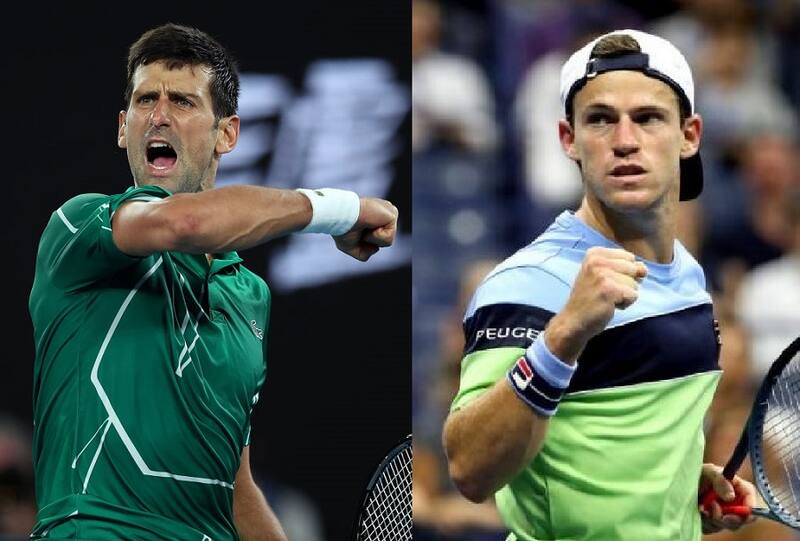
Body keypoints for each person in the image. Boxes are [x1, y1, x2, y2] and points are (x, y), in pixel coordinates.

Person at [28, 24, 397, 541]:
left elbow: (234, 484)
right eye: (144, 100)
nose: (158, 115)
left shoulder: (250, 296)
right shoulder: (81, 228)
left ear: (227, 133)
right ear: (122, 126)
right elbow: (185, 223)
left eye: (181, 101)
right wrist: (340, 209)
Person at [442, 29, 757, 540]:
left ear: (689, 135)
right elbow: (469, 470)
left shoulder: (691, 275)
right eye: (601, 120)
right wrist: (564, 334)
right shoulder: (528, 283)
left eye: (648, 118)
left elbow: (618, 438)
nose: (625, 140)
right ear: (570, 140)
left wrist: (677, 491)